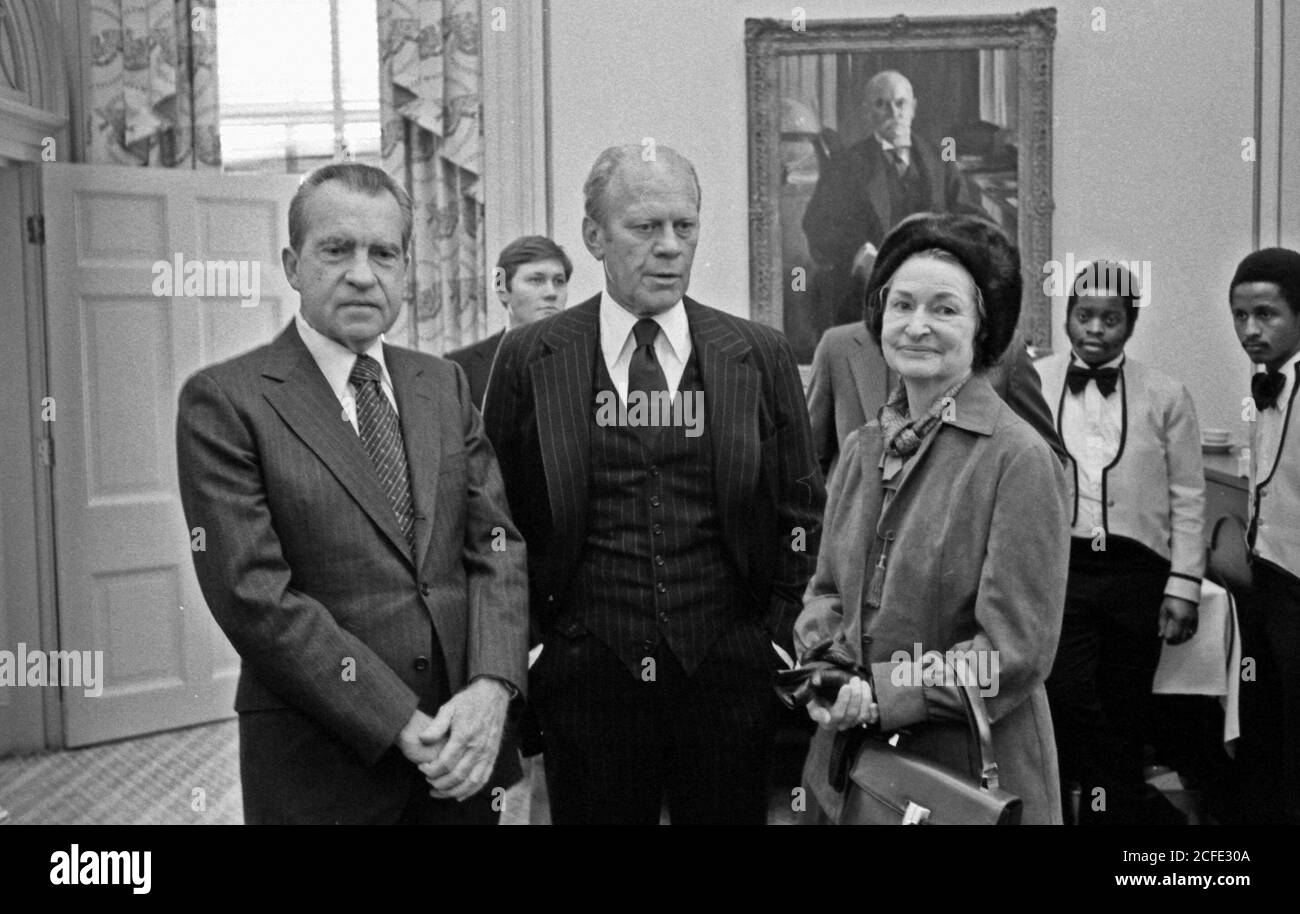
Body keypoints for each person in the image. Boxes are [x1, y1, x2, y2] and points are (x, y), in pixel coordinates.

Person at [176, 163, 529, 824]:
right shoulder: (227, 401)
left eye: (384, 253)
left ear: (405, 267)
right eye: (337, 250)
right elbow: (255, 595)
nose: (363, 274)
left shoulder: (441, 384)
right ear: (292, 263)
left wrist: (492, 685)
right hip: (320, 766)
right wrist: (397, 718)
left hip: (461, 758)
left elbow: (497, 547)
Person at [482, 144, 825, 824]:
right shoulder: (530, 357)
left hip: (729, 677)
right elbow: (496, 520)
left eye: (684, 227)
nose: (669, 247)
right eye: (644, 228)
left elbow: (802, 511)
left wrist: (777, 642)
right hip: (585, 683)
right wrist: (534, 652)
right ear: (594, 236)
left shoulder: (756, 353)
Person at [794, 213, 1069, 825]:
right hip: (850, 773)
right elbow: (826, 595)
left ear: (982, 329)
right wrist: (827, 673)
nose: (917, 326)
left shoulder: (1018, 458)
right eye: (902, 305)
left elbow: (1012, 651)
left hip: (964, 777)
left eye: (944, 310)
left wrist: (882, 695)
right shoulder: (865, 447)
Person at [1034, 261, 1205, 825]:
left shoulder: (1167, 393)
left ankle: (1119, 826)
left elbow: (1188, 495)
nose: (1096, 329)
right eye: (1085, 315)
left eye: (1111, 318)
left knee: (1127, 706)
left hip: (1139, 570)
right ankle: (1059, 812)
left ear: (1130, 324)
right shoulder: (1034, 382)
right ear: (1067, 317)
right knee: (1062, 698)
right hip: (1063, 567)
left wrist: (1183, 585)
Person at [802, 71, 978, 329]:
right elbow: (817, 224)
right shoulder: (846, 164)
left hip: (933, 285)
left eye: (900, 103)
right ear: (867, 112)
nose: (892, 112)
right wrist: (858, 253)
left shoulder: (939, 161)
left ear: (913, 107)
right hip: (869, 289)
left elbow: (968, 215)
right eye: (880, 104)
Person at [808, 314, 1065, 478]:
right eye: (904, 301)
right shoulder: (838, 346)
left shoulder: (1002, 350)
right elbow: (809, 464)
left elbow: (1045, 460)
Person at [1228, 247, 1300, 825]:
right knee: (1264, 724)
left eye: (1267, 314)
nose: (1250, 329)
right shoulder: (1265, 384)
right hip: (1266, 578)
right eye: (1240, 315)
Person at [445, 235, 573, 407]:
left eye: (559, 281)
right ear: (503, 291)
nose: (552, 293)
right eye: (536, 280)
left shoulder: (588, 359)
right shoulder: (461, 367)